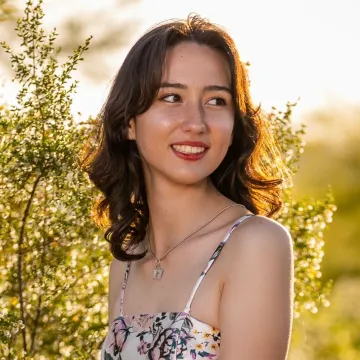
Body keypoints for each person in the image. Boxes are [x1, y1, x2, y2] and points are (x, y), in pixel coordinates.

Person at [83, 13, 294, 360]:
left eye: (216, 101)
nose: (196, 123)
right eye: (171, 97)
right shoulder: (127, 262)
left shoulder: (254, 244)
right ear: (128, 123)